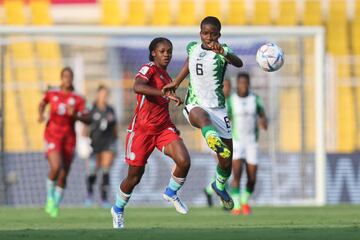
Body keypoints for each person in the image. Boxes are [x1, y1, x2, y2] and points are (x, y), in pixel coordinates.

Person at [163, 16, 243, 210]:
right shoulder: (193, 47)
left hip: (218, 108)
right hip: (195, 104)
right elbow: (189, 63)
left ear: (219, 35)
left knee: (226, 162)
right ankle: (211, 138)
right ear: (200, 34)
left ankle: (219, 185)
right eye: (205, 33)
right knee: (202, 117)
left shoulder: (223, 51)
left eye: (213, 34)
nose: (209, 37)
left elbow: (238, 63)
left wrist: (224, 52)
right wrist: (176, 82)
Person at [111, 37, 191, 229]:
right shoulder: (150, 68)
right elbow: (137, 86)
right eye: (162, 51)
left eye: (169, 51)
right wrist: (163, 93)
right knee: (134, 177)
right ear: (153, 53)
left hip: (163, 129)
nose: (167, 54)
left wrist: (169, 98)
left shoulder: (167, 78)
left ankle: (171, 192)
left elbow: (161, 106)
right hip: (141, 131)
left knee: (184, 161)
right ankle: (118, 209)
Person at [38, 67, 88, 217]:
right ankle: (49, 199)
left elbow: (88, 118)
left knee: (64, 172)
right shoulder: (52, 93)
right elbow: (42, 103)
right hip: (52, 134)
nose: (67, 79)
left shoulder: (78, 99)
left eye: (70, 76)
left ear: (72, 79)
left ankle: (56, 203)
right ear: (61, 78)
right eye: (65, 76)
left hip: (69, 138)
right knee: (56, 166)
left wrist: (76, 115)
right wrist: (40, 115)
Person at [228, 72, 268, 215]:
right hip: (237, 142)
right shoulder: (231, 100)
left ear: (249, 84)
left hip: (252, 143)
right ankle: (237, 205)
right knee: (237, 174)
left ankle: (245, 200)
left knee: (252, 178)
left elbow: (263, 116)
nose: (243, 85)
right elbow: (225, 118)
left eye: (245, 83)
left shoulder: (255, 99)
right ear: (237, 84)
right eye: (240, 83)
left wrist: (264, 122)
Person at [84, 85, 118, 208]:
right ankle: (89, 193)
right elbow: (85, 126)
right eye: (102, 94)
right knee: (92, 171)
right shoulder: (91, 109)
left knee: (105, 170)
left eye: (106, 94)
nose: (104, 96)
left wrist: (116, 143)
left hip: (108, 143)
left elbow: (114, 128)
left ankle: (104, 198)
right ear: (98, 95)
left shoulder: (110, 110)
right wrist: (83, 141)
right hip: (94, 144)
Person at [203, 78, 232, 207]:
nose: (228, 89)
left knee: (224, 166)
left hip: (228, 138)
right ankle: (222, 200)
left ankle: (209, 190)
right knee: (223, 163)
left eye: (229, 86)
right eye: (225, 86)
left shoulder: (231, 102)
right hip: (215, 139)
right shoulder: (212, 102)